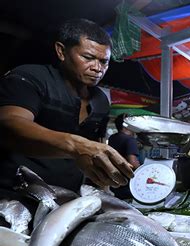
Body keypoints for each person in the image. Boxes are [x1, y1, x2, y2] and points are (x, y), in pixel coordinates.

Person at [0, 18, 134, 202]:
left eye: (104, 62)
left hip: (67, 198)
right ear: (61, 51)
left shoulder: (101, 100)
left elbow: (96, 146)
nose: (97, 68)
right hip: (14, 195)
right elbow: (10, 124)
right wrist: (75, 145)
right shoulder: (30, 77)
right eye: (88, 58)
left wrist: (102, 184)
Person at [108, 113, 141, 199]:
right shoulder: (130, 140)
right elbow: (132, 162)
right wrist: (144, 171)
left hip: (115, 180)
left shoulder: (112, 138)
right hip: (129, 183)